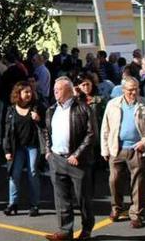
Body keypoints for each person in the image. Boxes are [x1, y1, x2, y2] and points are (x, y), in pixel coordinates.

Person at [100, 76, 145, 229]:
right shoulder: (113, 104)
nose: (134, 92)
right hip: (117, 148)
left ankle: (137, 214)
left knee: (139, 184)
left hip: (137, 149)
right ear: (123, 90)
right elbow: (105, 128)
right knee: (114, 181)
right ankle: (117, 208)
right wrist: (105, 149)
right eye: (130, 90)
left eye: (136, 89)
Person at [44, 77, 96, 240]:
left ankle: (87, 229)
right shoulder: (52, 109)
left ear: (68, 90)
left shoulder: (83, 108)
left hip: (77, 161)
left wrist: (77, 154)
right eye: (54, 89)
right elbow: (46, 131)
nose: (55, 92)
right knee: (61, 198)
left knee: (83, 198)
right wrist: (48, 150)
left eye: (58, 89)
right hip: (57, 159)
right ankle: (65, 231)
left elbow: (91, 134)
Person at [3, 81, 46, 217]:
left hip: (33, 145)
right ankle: (12, 203)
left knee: (33, 172)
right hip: (17, 148)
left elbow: (47, 125)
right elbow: (6, 132)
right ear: (18, 94)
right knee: (14, 174)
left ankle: (34, 205)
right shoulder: (11, 110)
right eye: (25, 92)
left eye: (30, 91)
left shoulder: (37, 107)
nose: (29, 94)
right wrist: (7, 150)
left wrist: (39, 119)